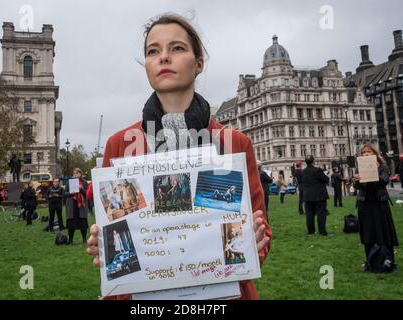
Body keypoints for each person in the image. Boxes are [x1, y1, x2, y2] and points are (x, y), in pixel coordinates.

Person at [86, 14, 271, 300]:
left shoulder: (234, 144)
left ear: (199, 64)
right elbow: (119, 229)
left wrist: (253, 244)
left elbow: (259, 235)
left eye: (177, 48)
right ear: (146, 66)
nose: (163, 58)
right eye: (153, 51)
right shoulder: (119, 145)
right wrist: (107, 244)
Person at [353, 144, 399, 272]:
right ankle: (369, 260)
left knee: (384, 232)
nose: (366, 154)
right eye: (363, 152)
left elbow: (384, 181)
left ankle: (389, 261)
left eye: (368, 152)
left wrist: (373, 173)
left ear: (374, 153)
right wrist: (356, 181)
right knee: (368, 233)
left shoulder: (383, 167)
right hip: (365, 204)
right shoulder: (359, 167)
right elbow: (358, 188)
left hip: (379, 204)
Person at [301, 155, 329, 236]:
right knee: (321, 213)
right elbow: (326, 179)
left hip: (307, 195)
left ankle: (311, 232)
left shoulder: (303, 171)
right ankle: (322, 231)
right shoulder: (317, 170)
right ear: (313, 161)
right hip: (319, 195)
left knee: (309, 214)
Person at [65, 168, 89, 244]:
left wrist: (80, 189)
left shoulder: (84, 182)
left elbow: (88, 193)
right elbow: (65, 194)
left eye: (76, 173)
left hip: (81, 205)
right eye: (74, 173)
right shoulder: (69, 183)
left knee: (83, 223)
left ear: (80, 174)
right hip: (72, 205)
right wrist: (71, 193)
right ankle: (70, 240)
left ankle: (84, 239)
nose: (75, 174)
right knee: (71, 223)